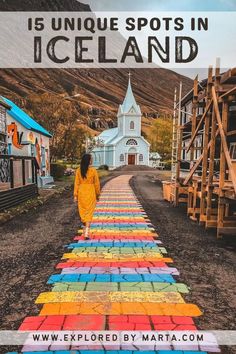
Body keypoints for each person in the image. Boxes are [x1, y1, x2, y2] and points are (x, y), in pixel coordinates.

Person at [74, 153, 100, 239]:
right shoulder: (93, 171)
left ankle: (85, 229)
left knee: (83, 211)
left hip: (81, 192)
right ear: (88, 160)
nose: (92, 160)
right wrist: (98, 194)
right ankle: (86, 232)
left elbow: (76, 184)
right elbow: (97, 184)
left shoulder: (78, 170)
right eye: (91, 159)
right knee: (89, 212)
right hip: (90, 192)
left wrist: (75, 195)